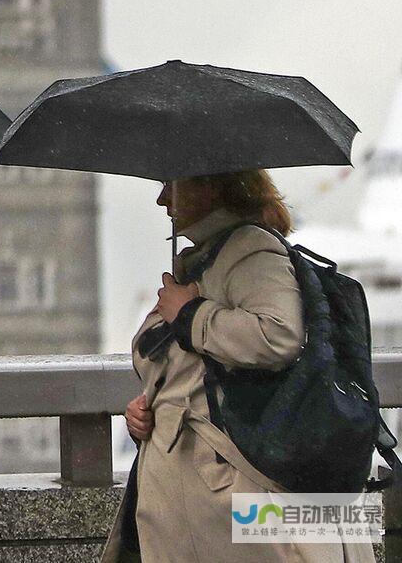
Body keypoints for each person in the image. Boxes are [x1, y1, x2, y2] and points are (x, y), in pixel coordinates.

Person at [103, 172, 374, 562]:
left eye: (172, 185)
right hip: (203, 487)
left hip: (229, 487)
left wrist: (191, 314)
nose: (162, 201)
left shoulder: (249, 251)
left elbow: (277, 336)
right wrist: (147, 411)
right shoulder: (208, 260)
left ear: (210, 186)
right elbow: (192, 368)